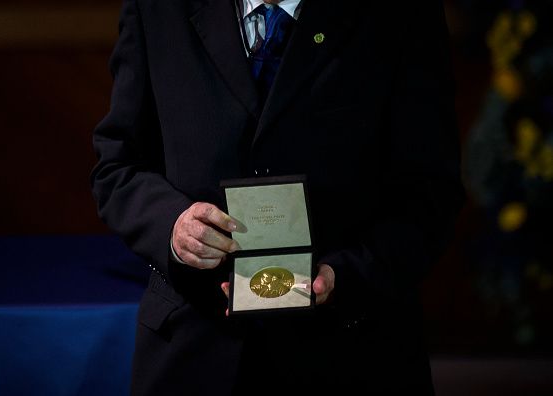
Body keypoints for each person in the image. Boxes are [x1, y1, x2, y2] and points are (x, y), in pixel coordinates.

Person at [90, 0, 465, 394]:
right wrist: (173, 225)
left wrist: (348, 274)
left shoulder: (401, 13)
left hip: (354, 349)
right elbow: (118, 166)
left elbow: (430, 192)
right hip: (192, 353)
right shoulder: (157, 8)